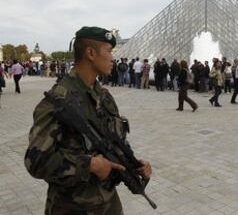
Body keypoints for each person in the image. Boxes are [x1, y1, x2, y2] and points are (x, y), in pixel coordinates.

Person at [24, 26, 152, 214]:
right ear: (91, 53)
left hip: (109, 203)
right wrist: (89, 165)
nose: (112, 58)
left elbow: (114, 140)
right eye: (108, 51)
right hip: (72, 207)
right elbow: (36, 161)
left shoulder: (104, 96)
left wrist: (133, 163)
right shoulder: (58, 101)